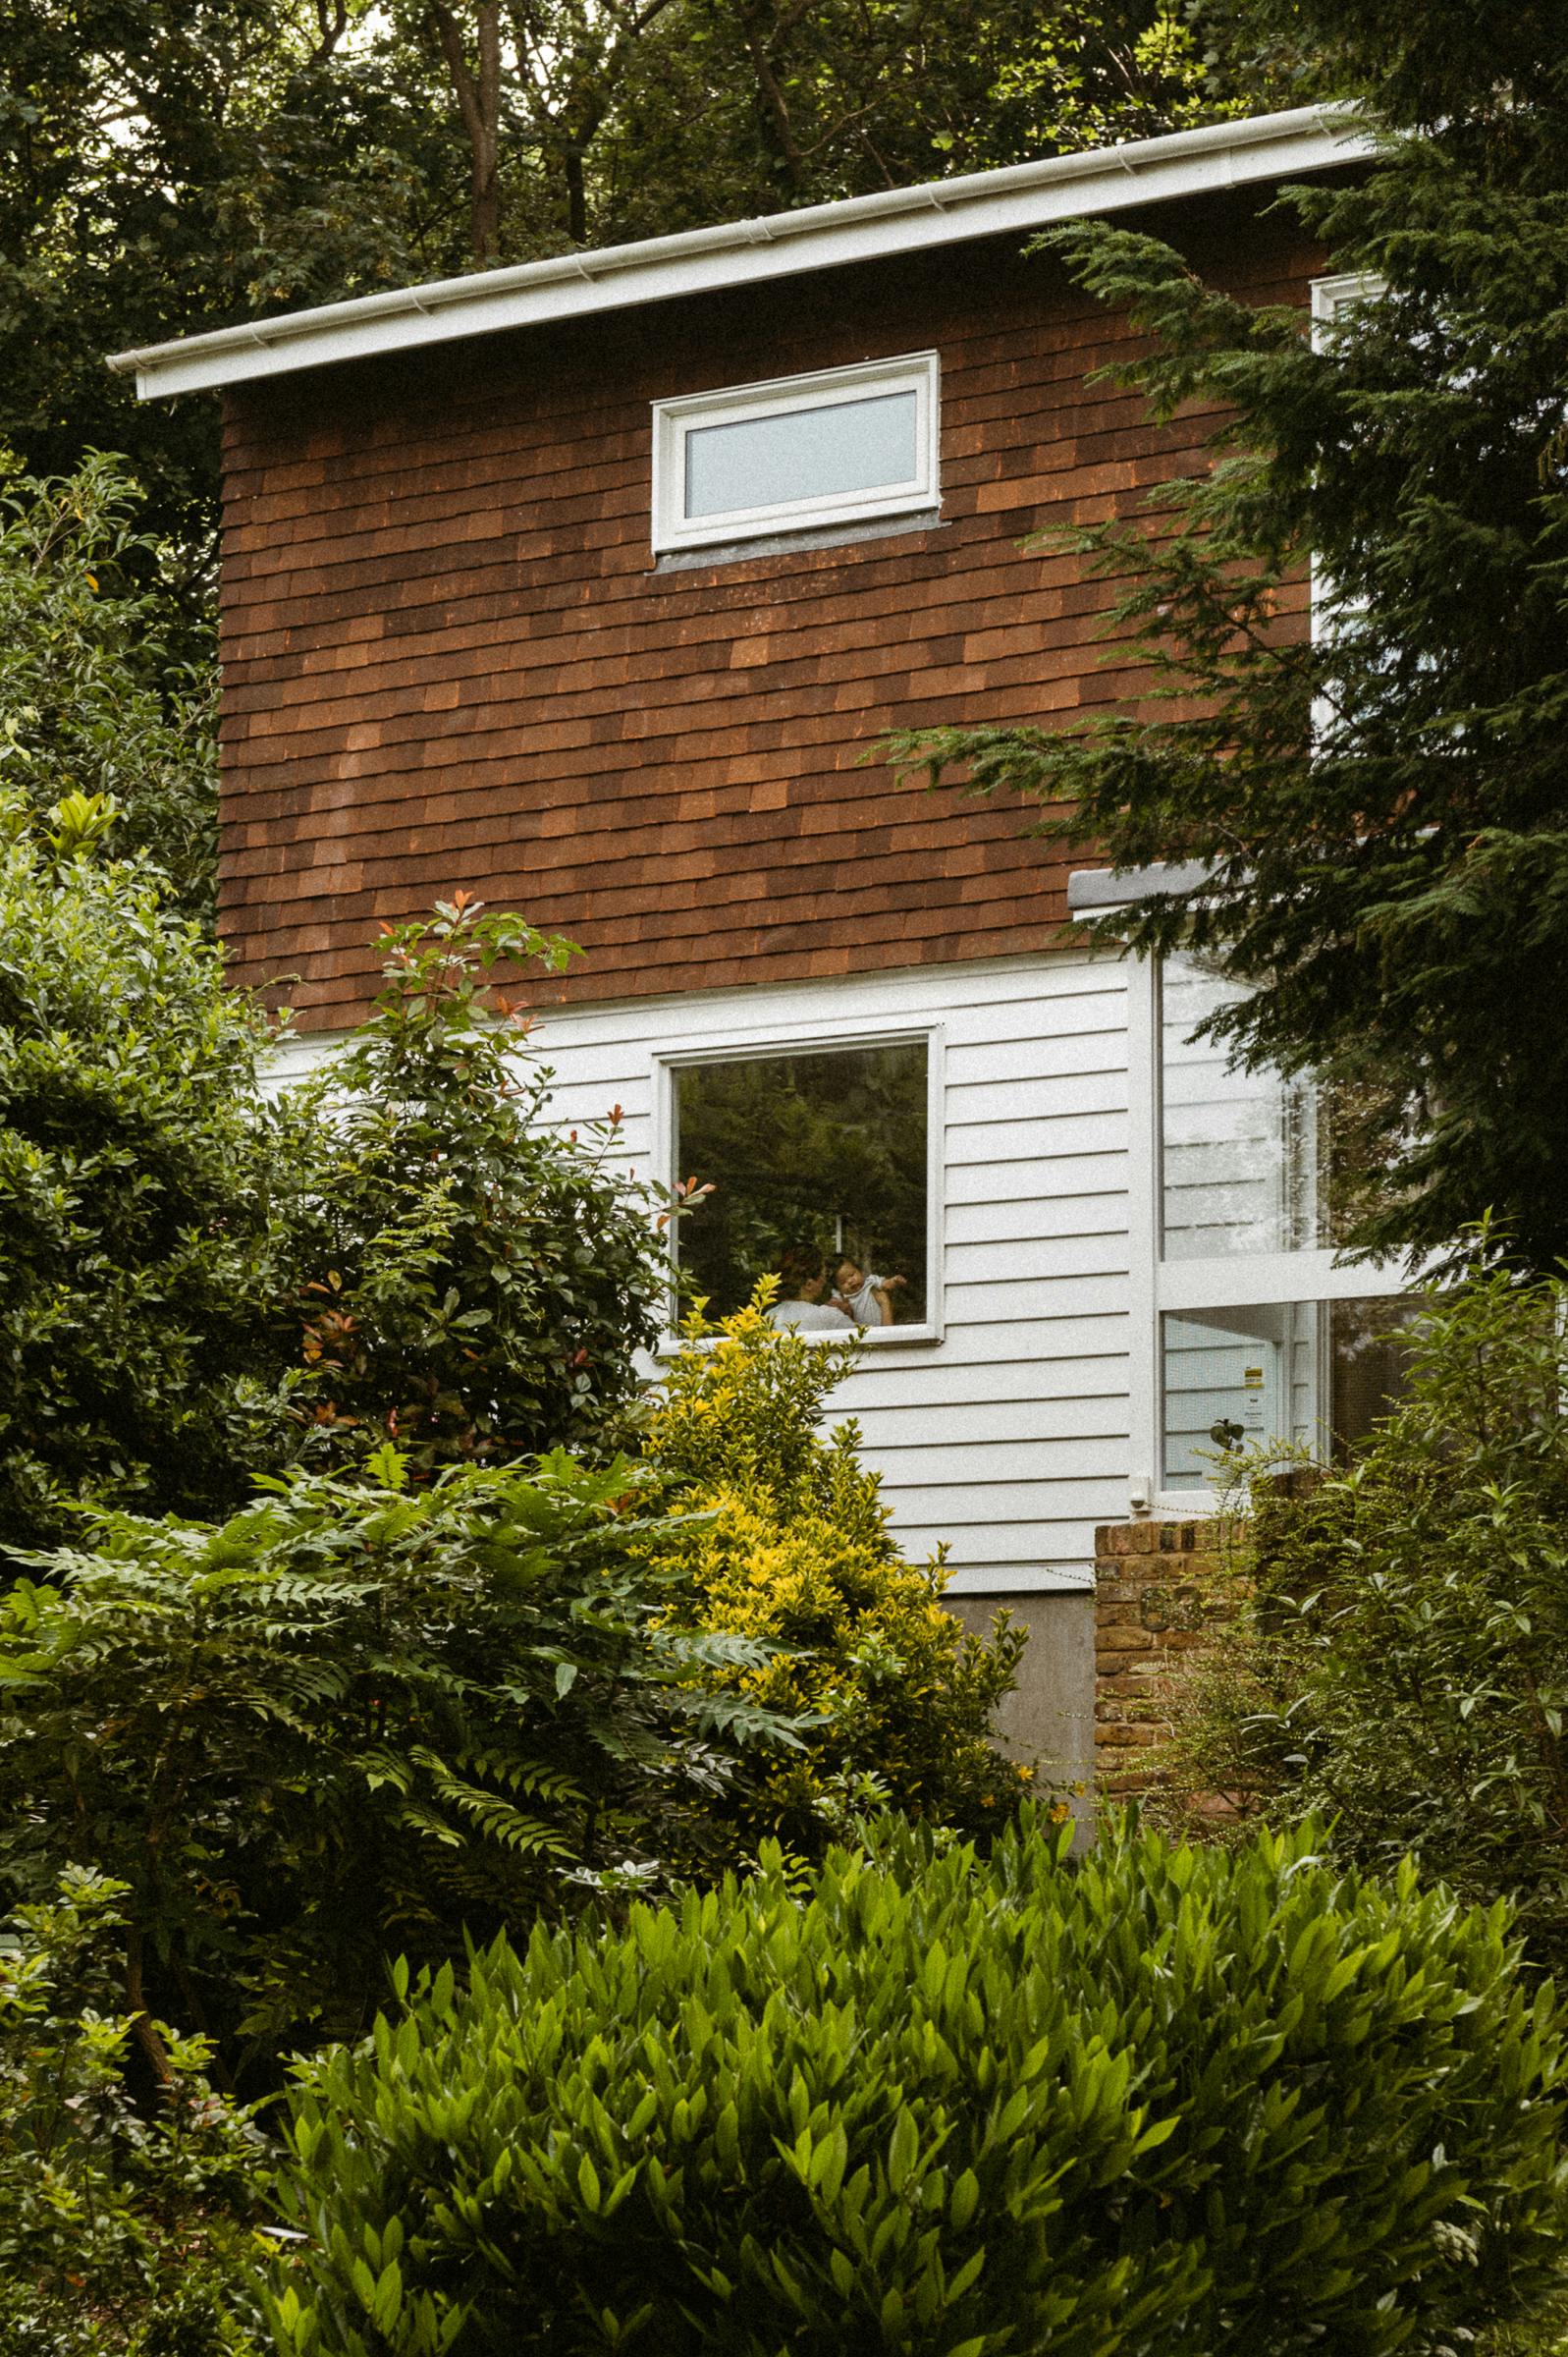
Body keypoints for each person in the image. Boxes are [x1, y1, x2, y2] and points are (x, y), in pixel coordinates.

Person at [763, 1246, 856, 1331]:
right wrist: (848, 1316)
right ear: (809, 1285)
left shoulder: (770, 1316)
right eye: (823, 1275)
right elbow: (863, 1340)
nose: (825, 1281)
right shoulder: (828, 1316)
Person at [833, 1255, 906, 1328]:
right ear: (837, 1288)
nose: (850, 1281)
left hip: (880, 1327)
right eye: (843, 1282)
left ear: (860, 1271)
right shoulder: (841, 1297)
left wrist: (894, 1280)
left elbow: (885, 1284)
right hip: (860, 1335)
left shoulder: (870, 1282)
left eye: (852, 1275)